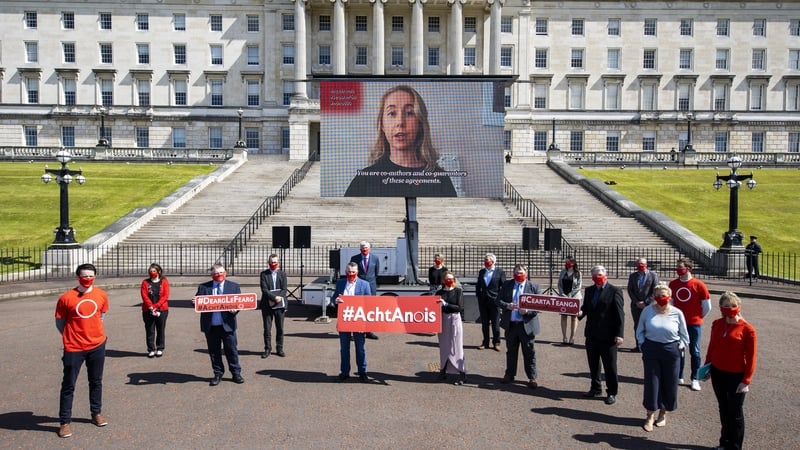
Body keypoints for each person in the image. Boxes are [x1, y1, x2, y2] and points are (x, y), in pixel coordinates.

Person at [344, 84, 457, 197]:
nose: (400, 122)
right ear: (382, 125)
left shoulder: (440, 179)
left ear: (420, 123)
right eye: (392, 113)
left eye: (409, 113)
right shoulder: (364, 180)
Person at [55, 263, 109, 439]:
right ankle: (64, 422)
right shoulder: (66, 298)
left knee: (96, 381)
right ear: (77, 276)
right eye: (84, 276)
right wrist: (73, 336)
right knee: (69, 385)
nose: (87, 279)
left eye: (90, 275)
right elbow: (60, 323)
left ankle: (96, 413)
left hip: (97, 344)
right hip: (74, 347)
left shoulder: (101, 294)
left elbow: (101, 316)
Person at [705, 292, 758, 450]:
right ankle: (724, 441)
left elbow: (751, 357)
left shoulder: (748, 329)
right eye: (727, 306)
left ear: (739, 307)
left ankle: (735, 446)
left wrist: (746, 380)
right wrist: (707, 367)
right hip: (717, 371)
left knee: (735, 412)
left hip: (736, 376)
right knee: (723, 407)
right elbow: (712, 346)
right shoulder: (717, 323)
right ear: (721, 308)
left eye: (733, 306)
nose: (730, 309)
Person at [635, 282, 689, 432]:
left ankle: (663, 413)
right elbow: (640, 330)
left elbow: (684, 335)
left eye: (663, 296)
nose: (660, 298)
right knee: (652, 382)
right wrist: (642, 344)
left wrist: (681, 346)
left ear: (669, 297)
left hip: (671, 350)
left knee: (670, 382)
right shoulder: (647, 311)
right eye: (657, 296)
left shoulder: (677, 312)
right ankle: (650, 415)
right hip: (651, 349)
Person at [578, 264, 625, 405]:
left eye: (600, 274)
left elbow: (619, 314)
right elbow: (586, 308)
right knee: (593, 364)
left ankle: (611, 392)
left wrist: (620, 334)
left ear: (606, 275)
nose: (597, 277)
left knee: (610, 366)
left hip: (609, 335)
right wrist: (580, 313)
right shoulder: (589, 290)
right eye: (595, 274)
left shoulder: (615, 291)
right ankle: (595, 388)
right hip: (592, 333)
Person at [196, 264, 244, 386]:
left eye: (221, 272)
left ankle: (235, 373)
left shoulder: (233, 287)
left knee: (231, 350)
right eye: (216, 273)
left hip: (227, 325)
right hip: (211, 326)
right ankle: (218, 373)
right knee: (214, 351)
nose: (219, 275)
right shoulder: (203, 287)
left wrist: (235, 310)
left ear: (225, 273)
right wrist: (194, 302)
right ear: (212, 275)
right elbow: (197, 301)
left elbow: (239, 303)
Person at [669, 257, 711, 392]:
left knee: (695, 351)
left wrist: (697, 317)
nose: (678, 269)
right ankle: (679, 375)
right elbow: (672, 304)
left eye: (680, 266)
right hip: (678, 323)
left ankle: (695, 378)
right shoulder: (673, 284)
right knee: (679, 350)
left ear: (688, 268)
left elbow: (706, 306)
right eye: (677, 266)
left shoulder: (699, 285)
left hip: (694, 323)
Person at [497, 264, 542, 389]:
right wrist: (507, 305)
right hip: (511, 324)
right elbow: (498, 300)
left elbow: (539, 306)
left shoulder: (534, 287)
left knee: (529, 352)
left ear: (526, 273)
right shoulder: (507, 285)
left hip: (526, 325)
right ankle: (509, 374)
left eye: (521, 273)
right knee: (511, 351)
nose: (518, 275)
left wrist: (527, 311)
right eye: (516, 273)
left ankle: (532, 377)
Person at [331, 262, 373, 382]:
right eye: (349, 272)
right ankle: (344, 372)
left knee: (360, 348)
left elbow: (369, 304)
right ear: (345, 272)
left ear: (357, 272)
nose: (351, 274)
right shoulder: (340, 283)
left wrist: (365, 324)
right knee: (344, 348)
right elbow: (334, 298)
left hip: (359, 321)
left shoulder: (364, 285)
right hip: (345, 320)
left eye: (353, 272)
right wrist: (336, 301)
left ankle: (362, 372)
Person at [435, 271, 466, 385]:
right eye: (447, 279)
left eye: (452, 278)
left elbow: (459, 307)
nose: (450, 280)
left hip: (455, 320)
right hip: (443, 320)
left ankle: (462, 373)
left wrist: (446, 304)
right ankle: (443, 370)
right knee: (444, 346)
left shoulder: (458, 291)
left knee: (456, 345)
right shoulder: (439, 292)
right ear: (443, 280)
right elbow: (434, 309)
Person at [627, 257, 660, 352]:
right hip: (636, 305)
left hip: (649, 305)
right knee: (637, 325)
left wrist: (646, 302)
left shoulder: (653, 275)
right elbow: (630, 290)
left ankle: (649, 345)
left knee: (649, 324)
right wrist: (636, 301)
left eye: (642, 263)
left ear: (646, 264)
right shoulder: (633, 276)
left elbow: (655, 290)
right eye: (638, 264)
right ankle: (639, 345)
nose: (640, 265)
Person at [259, 253, 288, 358]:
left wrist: (278, 298)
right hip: (267, 304)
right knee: (267, 328)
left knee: (280, 327)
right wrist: (273, 298)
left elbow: (284, 289)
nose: (273, 264)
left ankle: (279, 348)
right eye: (271, 262)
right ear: (268, 263)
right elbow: (264, 289)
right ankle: (267, 348)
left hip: (280, 304)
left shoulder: (282, 274)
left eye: (275, 262)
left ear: (278, 263)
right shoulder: (263, 274)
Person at [350, 241, 380, 340]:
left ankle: (369, 331)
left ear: (369, 248)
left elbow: (376, 273)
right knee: (358, 310)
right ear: (360, 249)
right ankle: (356, 332)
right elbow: (352, 272)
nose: (365, 250)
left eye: (366, 248)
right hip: (359, 286)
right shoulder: (354, 259)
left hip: (371, 286)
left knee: (370, 310)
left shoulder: (375, 258)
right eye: (363, 248)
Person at [476, 253, 505, 351]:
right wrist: (479, 297)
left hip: (495, 301)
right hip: (483, 301)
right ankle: (485, 342)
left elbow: (503, 286)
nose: (486, 261)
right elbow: (478, 285)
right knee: (484, 323)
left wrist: (500, 299)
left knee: (495, 323)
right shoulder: (482, 272)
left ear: (493, 261)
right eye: (485, 259)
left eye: (488, 259)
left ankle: (496, 342)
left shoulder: (499, 272)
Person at [140, 263, 170, 358]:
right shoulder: (145, 282)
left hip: (162, 309)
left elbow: (165, 296)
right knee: (150, 330)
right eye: (150, 271)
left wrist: (156, 306)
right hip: (148, 310)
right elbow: (144, 295)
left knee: (160, 329)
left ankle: (160, 348)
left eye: (154, 271)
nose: (152, 273)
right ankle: (151, 349)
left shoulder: (164, 281)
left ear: (158, 272)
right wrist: (151, 306)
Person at [557, 256, 582, 345]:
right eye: (566, 262)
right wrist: (562, 293)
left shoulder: (577, 273)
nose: (567, 263)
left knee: (574, 317)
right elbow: (559, 284)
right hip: (564, 297)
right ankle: (564, 337)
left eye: (568, 262)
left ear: (573, 263)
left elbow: (578, 286)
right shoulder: (563, 272)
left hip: (574, 297)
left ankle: (572, 337)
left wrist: (570, 295)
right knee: (564, 316)